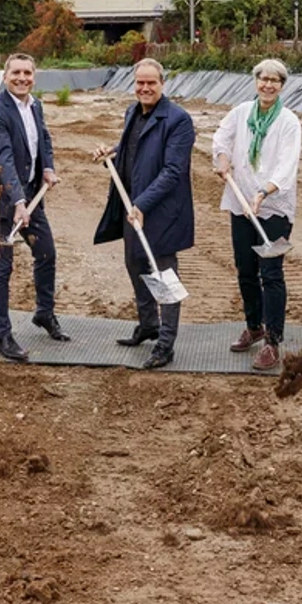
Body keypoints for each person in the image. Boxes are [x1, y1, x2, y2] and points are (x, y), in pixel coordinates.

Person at [92, 58, 195, 370]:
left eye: (151, 83)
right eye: (140, 82)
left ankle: (166, 344)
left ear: (162, 84)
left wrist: (143, 204)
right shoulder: (132, 112)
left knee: (163, 274)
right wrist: (111, 151)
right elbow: (133, 146)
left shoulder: (178, 120)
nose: (145, 88)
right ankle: (148, 324)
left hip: (161, 211)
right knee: (135, 264)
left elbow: (173, 171)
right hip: (133, 206)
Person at [211, 58, 302, 373]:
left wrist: (264, 193)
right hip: (240, 203)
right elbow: (221, 139)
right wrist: (223, 159)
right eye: (263, 78)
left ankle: (273, 342)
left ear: (282, 85)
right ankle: (254, 325)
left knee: (271, 273)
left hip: (273, 208)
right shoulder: (240, 113)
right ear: (255, 81)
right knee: (245, 269)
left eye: (275, 80)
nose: (268, 84)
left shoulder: (289, 122)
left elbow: (287, 165)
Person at [0, 52, 69, 362]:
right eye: (15, 73)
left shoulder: (35, 104)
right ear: (5, 77)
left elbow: (42, 137)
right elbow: (3, 159)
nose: (22, 78)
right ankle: (2, 337)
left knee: (47, 253)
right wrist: (18, 202)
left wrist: (48, 167)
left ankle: (44, 313)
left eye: (27, 73)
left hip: (30, 195)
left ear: (34, 76)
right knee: (1, 267)